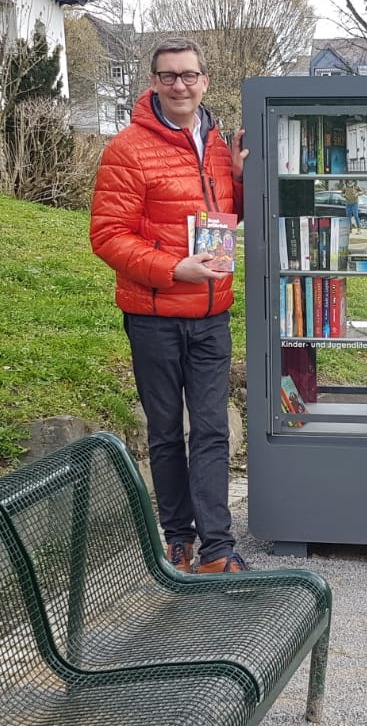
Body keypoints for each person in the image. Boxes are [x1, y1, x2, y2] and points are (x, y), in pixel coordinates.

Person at [89, 37, 250, 574]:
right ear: (153, 82)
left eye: (188, 75)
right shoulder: (128, 149)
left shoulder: (221, 147)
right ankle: (177, 539)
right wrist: (171, 268)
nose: (179, 85)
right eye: (168, 76)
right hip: (154, 316)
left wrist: (245, 182)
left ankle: (217, 550)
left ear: (205, 81)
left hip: (212, 315)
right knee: (165, 433)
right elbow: (107, 235)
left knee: (210, 430)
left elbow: (231, 216)